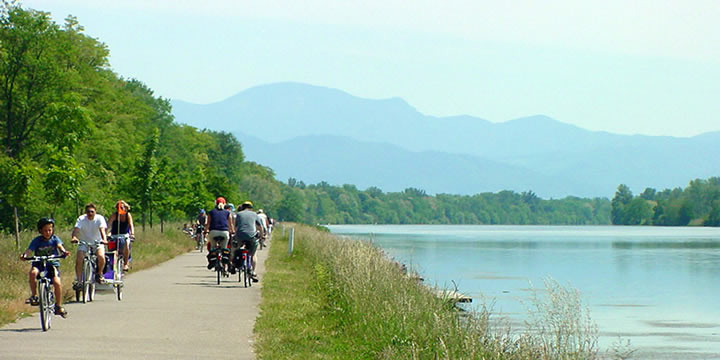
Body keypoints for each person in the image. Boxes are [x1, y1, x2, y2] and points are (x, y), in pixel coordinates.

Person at [20, 218, 70, 318]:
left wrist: (64, 252)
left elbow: (60, 246)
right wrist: (25, 255)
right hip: (39, 264)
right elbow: (30, 250)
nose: (48, 232)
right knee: (33, 273)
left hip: (52, 264)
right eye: (45, 230)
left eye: (50, 230)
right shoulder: (37, 241)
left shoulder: (55, 239)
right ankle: (34, 296)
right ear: (40, 231)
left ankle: (58, 305)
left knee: (57, 282)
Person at [71, 203, 108, 286]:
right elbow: (76, 229)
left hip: (97, 242)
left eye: (92, 212)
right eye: (88, 212)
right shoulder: (81, 219)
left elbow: (102, 230)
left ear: (95, 212)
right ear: (85, 212)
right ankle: (79, 281)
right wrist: (74, 237)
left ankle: (99, 273)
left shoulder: (99, 218)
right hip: (84, 242)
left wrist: (104, 240)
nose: (90, 214)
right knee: (79, 259)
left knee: (101, 256)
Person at [233, 201, 264, 282]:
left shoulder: (239, 214)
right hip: (252, 236)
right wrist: (261, 235)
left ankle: (236, 263)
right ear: (251, 207)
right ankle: (253, 272)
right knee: (253, 254)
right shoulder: (254, 214)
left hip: (240, 235)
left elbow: (235, 227)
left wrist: (235, 235)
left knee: (238, 248)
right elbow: (260, 227)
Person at [204, 197, 234, 268]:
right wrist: (232, 231)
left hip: (213, 232)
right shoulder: (227, 212)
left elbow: (208, 223)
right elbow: (230, 224)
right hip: (224, 232)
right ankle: (225, 259)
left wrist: (205, 231)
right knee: (224, 248)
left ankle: (212, 260)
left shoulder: (211, 212)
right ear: (224, 204)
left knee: (213, 248)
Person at [106, 200, 134, 271]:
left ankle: (126, 264)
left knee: (127, 243)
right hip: (115, 235)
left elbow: (131, 225)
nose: (120, 209)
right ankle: (111, 266)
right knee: (111, 249)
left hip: (124, 235)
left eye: (122, 207)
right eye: (118, 208)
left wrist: (132, 234)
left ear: (125, 208)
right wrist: (105, 234)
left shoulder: (128, 215)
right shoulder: (114, 215)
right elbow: (108, 225)